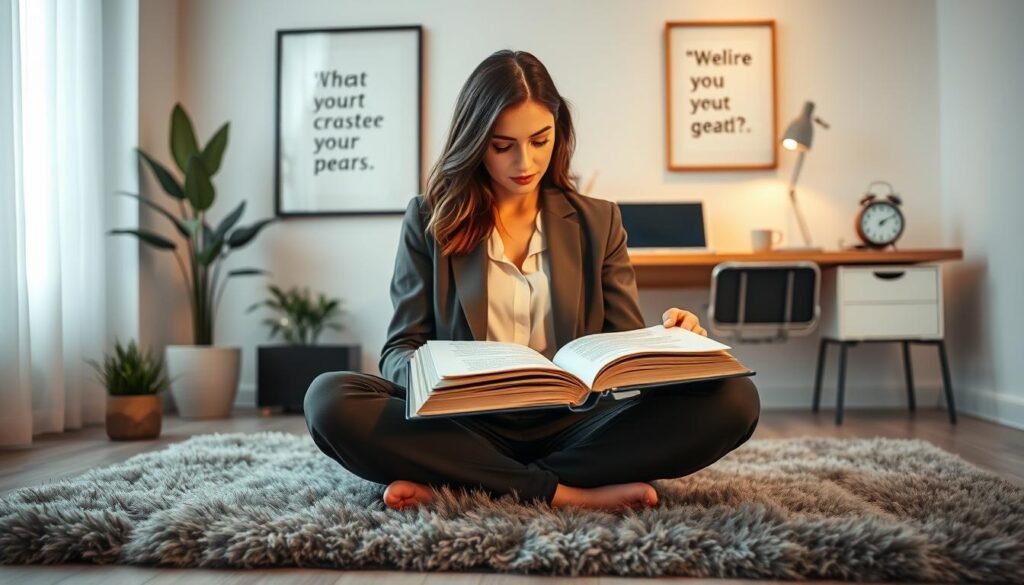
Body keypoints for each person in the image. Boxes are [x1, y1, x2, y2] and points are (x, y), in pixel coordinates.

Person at [304, 50, 760, 512]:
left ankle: (464, 482)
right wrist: (435, 376)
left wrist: (672, 346)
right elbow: (399, 349)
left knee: (736, 399)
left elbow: (622, 349)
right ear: (476, 140)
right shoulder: (428, 219)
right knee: (329, 399)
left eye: (540, 140)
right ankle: (566, 494)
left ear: (558, 132)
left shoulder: (598, 221)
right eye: (503, 146)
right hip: (462, 425)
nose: (525, 161)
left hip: (574, 426)